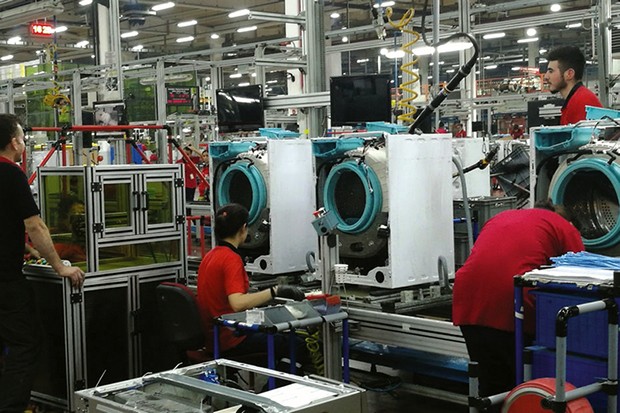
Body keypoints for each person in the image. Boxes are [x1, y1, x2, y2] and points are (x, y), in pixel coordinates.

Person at [452, 199, 584, 409]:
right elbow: (581, 274)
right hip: (511, 303)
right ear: (570, 223)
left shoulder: (502, 217)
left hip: (468, 298)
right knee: (519, 384)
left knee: (490, 384)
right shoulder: (564, 227)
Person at [0, 113, 85, 413]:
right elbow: (35, 224)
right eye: (22, 137)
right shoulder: (11, 174)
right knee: (25, 344)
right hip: (6, 281)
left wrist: (27, 248)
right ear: (14, 143)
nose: (24, 142)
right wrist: (59, 267)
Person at [196, 203, 306, 361]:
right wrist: (275, 291)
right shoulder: (231, 259)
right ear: (243, 229)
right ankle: (279, 378)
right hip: (232, 339)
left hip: (213, 338)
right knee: (297, 344)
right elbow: (237, 303)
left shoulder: (210, 256)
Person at [544, 46, 602, 125]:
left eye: (551, 71)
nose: (546, 77)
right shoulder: (574, 100)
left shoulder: (582, 102)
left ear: (569, 74)